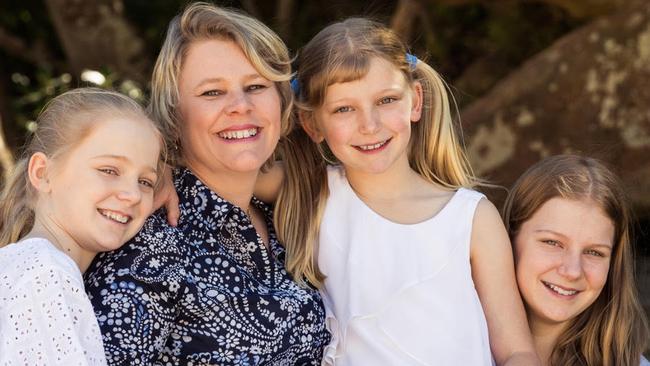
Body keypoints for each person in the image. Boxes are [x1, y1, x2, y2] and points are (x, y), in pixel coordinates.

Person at [264, 18, 540, 365]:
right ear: (313, 124)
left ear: (415, 101)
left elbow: (516, 350)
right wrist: (169, 169)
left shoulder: (471, 218)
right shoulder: (311, 192)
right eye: (344, 109)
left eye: (387, 100)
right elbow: (217, 168)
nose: (370, 124)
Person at [83, 3, 330, 365]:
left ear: (281, 103)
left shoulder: (286, 219)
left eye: (256, 86)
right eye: (212, 93)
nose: (240, 106)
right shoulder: (148, 242)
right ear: (173, 115)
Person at [0, 87, 163, 365]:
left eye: (145, 182)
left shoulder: (30, 266)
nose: (133, 195)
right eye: (109, 170)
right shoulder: (45, 273)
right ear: (43, 173)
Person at [502, 155, 650, 366]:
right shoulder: (456, 347)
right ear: (509, 237)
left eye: (594, 253)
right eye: (552, 243)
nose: (572, 271)